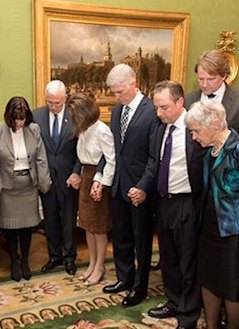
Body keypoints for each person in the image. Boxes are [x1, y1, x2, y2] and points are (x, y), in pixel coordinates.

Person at [185, 100, 239, 329]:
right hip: (209, 226)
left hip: (235, 232)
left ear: (216, 124)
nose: (194, 137)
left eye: (196, 131)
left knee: (232, 289)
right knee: (208, 281)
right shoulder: (210, 150)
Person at [145, 80, 205, 329]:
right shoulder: (161, 128)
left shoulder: (195, 129)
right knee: (168, 257)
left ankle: (188, 313)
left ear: (180, 102)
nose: (159, 113)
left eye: (164, 107)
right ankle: (173, 300)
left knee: (187, 260)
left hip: (187, 202)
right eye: (156, 108)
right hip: (164, 202)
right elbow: (155, 161)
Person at [102, 63, 160, 307]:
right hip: (119, 186)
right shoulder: (117, 111)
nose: (116, 97)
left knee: (141, 240)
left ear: (133, 83)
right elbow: (114, 151)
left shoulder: (152, 111)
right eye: (114, 92)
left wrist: (144, 186)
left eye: (119, 92)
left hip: (141, 190)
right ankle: (124, 278)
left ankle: (140, 287)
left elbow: (154, 155)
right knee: (122, 237)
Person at [0, 96, 51, 281]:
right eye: (17, 120)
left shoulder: (33, 129)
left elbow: (40, 156)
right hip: (8, 187)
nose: (20, 123)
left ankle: (24, 261)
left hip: (28, 186)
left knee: (26, 228)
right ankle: (14, 262)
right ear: (9, 116)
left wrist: (44, 181)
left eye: (23, 119)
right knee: (10, 228)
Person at [66, 92, 115, 286]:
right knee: (87, 224)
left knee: (99, 227)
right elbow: (82, 157)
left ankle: (100, 266)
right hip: (87, 176)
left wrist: (100, 182)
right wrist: (77, 174)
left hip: (98, 180)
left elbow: (110, 159)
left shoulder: (102, 130)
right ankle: (92, 262)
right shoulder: (84, 129)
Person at [33, 80, 81, 275]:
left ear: (65, 98)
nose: (53, 106)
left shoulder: (76, 117)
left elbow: (82, 148)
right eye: (50, 102)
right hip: (46, 179)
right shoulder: (36, 116)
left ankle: (70, 257)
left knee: (69, 220)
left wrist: (77, 171)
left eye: (57, 103)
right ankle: (54, 256)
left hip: (69, 178)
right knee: (50, 219)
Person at [184, 49, 239, 156]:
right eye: (201, 79)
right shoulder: (188, 99)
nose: (204, 84)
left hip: (227, 168)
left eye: (211, 79)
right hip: (194, 168)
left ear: (224, 76)